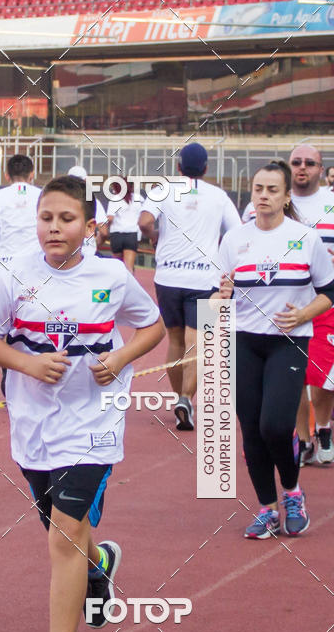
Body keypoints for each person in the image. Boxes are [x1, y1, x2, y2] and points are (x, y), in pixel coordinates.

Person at [0, 175, 164, 632]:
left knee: (62, 536)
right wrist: (28, 362)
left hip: (94, 424)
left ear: (90, 227)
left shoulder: (111, 276)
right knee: (67, 535)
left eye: (66, 219)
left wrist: (121, 359)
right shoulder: (11, 274)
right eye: (46, 218)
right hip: (33, 424)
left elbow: (152, 327)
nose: (54, 228)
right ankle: (100, 563)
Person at [214, 160, 334, 539]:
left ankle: (293, 492)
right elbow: (216, 298)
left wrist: (303, 314)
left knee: (276, 425)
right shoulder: (235, 239)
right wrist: (222, 296)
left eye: (271, 190)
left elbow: (329, 292)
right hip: (244, 342)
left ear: (285, 197)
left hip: (288, 342)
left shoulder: (305, 238)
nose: (263, 196)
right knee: (250, 429)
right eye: (258, 189)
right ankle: (267, 508)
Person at [139, 142, 240, 431]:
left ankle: (180, 399)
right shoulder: (218, 196)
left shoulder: (164, 188)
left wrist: (156, 235)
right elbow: (235, 232)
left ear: (178, 167)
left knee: (175, 340)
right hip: (204, 278)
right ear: (206, 168)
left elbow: (144, 221)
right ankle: (185, 397)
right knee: (198, 343)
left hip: (169, 277)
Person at [246, 145, 334, 465]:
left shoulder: (331, 203)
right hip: (283, 303)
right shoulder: (265, 203)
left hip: (325, 301)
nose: (302, 168)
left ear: (321, 170)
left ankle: (323, 427)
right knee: (292, 375)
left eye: (310, 163)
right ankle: (305, 438)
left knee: (323, 376)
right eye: (296, 162)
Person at [0, 154, 41, 279]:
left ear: (7, 175)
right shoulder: (43, 196)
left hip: (2, 261)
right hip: (33, 262)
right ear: (32, 175)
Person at [67, 166, 108, 257]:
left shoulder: (59, 201)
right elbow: (104, 232)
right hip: (88, 253)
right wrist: (95, 243)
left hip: (65, 254)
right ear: (85, 181)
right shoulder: (94, 202)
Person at [106, 179, 143, 274]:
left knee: (117, 266)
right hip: (131, 234)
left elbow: (110, 218)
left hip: (117, 235)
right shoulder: (138, 198)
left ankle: (117, 287)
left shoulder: (115, 199)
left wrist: (106, 227)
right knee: (129, 268)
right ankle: (129, 287)